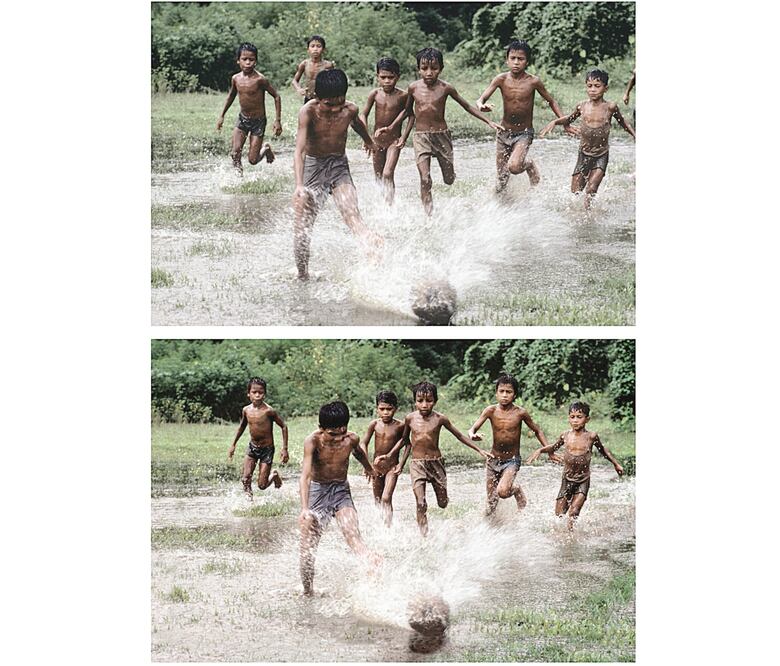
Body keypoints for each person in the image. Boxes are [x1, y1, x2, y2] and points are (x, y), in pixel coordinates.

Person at [378, 47, 502, 215]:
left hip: (441, 136)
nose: (429, 73)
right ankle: (429, 216)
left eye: (434, 68)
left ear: (441, 68)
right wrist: (394, 128)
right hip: (421, 137)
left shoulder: (446, 88)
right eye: (424, 68)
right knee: (425, 178)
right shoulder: (413, 88)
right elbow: (408, 112)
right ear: (418, 69)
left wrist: (488, 121)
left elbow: (466, 106)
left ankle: (450, 174)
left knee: (449, 180)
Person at [292, 68, 382, 279]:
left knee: (351, 214)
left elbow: (357, 123)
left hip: (338, 166)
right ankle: (302, 274)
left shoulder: (349, 109)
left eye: (339, 103)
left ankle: (372, 248)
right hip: (313, 169)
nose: (334, 109)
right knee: (302, 228)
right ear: (317, 97)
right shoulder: (308, 111)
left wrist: (368, 140)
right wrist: (299, 185)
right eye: (329, 104)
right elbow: (299, 151)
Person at [375, 381, 494, 536]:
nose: (424, 405)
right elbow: (405, 441)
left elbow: (458, 435)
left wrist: (479, 449)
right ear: (415, 401)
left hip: (436, 463)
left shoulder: (440, 419)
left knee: (442, 503)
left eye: (429, 401)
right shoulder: (409, 419)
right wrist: (394, 458)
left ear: (435, 401)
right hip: (417, 464)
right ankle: (424, 537)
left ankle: (443, 498)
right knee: (421, 503)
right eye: (420, 401)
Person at [299, 401, 381, 596]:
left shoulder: (351, 439)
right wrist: (304, 508)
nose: (338, 438)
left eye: (342, 433)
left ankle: (371, 563)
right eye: (332, 434)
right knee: (308, 547)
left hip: (340, 491)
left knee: (352, 534)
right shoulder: (313, 441)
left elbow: (359, 453)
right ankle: (308, 590)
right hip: (318, 493)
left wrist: (368, 468)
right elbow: (305, 476)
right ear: (321, 429)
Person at [476, 39, 571, 193]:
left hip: (524, 133)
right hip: (503, 132)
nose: (516, 62)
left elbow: (551, 101)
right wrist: (481, 105)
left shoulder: (533, 81)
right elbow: (481, 99)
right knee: (501, 180)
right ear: (507, 60)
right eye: (512, 58)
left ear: (527, 62)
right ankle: (503, 208)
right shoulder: (501, 79)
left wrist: (564, 121)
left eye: (520, 59)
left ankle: (529, 164)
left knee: (514, 167)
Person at [539, 68, 635, 209]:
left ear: (605, 88)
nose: (593, 90)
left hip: (601, 155)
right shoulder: (582, 106)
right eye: (589, 86)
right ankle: (578, 214)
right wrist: (555, 121)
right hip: (583, 154)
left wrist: (634, 134)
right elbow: (569, 119)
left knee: (590, 190)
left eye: (597, 86)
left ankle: (588, 216)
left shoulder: (610, 107)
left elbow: (623, 122)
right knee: (575, 192)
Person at [526, 401, 624, 530]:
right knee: (559, 514)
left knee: (573, 512)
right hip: (567, 479)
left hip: (583, 480)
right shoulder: (565, 436)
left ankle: (570, 536)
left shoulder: (591, 436)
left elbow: (603, 451)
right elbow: (554, 447)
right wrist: (541, 450)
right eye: (572, 417)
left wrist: (616, 464)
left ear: (587, 419)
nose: (575, 420)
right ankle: (562, 534)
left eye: (579, 417)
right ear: (568, 418)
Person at [468, 373, 552, 517]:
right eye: (501, 391)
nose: (505, 395)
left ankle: (516, 489)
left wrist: (549, 450)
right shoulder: (490, 410)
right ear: (496, 393)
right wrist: (472, 434)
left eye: (509, 392)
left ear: (514, 395)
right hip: (493, 459)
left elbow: (537, 430)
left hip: (511, 461)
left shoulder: (520, 413)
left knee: (503, 491)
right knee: (491, 502)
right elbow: (472, 428)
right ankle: (493, 530)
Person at [216, 42, 282, 175]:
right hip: (243, 119)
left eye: (251, 60)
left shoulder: (260, 80)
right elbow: (231, 96)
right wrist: (221, 116)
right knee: (235, 152)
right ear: (238, 61)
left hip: (258, 122)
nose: (247, 63)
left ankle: (266, 149)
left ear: (256, 62)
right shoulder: (236, 79)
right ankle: (238, 178)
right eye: (244, 59)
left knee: (252, 160)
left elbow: (276, 96)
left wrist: (277, 120)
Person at [359, 58, 412, 204]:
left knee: (388, 173)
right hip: (376, 142)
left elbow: (409, 114)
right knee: (378, 177)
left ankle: (390, 207)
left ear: (398, 77)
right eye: (383, 77)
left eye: (391, 77)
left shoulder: (403, 96)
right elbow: (363, 114)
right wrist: (366, 137)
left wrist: (404, 138)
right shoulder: (375, 94)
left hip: (393, 141)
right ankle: (382, 205)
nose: (387, 81)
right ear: (377, 77)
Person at [227, 377, 289, 499]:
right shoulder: (246, 410)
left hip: (267, 450)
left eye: (260, 392)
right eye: (254, 392)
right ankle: (249, 502)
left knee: (262, 485)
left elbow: (284, 426)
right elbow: (241, 427)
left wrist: (285, 449)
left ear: (264, 394)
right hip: (252, 447)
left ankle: (274, 475)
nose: (257, 395)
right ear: (248, 394)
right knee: (245, 479)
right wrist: (233, 444)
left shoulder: (269, 411)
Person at [358, 390, 406, 526]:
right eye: (382, 409)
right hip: (376, 467)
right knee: (378, 500)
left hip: (392, 467)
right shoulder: (374, 424)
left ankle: (388, 529)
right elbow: (363, 442)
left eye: (389, 409)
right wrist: (366, 464)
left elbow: (406, 442)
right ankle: (382, 525)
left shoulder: (400, 425)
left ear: (396, 409)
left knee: (386, 498)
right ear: (377, 409)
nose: (386, 412)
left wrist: (400, 464)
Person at [292, 35, 334, 104]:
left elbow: (333, 83)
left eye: (318, 46)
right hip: (309, 98)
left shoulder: (328, 65)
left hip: (323, 98)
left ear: (323, 49)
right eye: (312, 46)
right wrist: (299, 89)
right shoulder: (304, 64)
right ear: (308, 49)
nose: (315, 49)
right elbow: (294, 81)